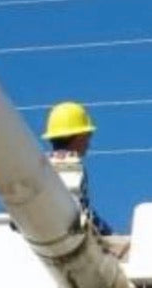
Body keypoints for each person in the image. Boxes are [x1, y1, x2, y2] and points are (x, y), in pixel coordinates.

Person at [42, 100, 112, 235]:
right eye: (88, 137)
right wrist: (108, 233)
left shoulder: (42, 165)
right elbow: (80, 212)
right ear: (79, 137)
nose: (88, 144)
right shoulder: (70, 165)